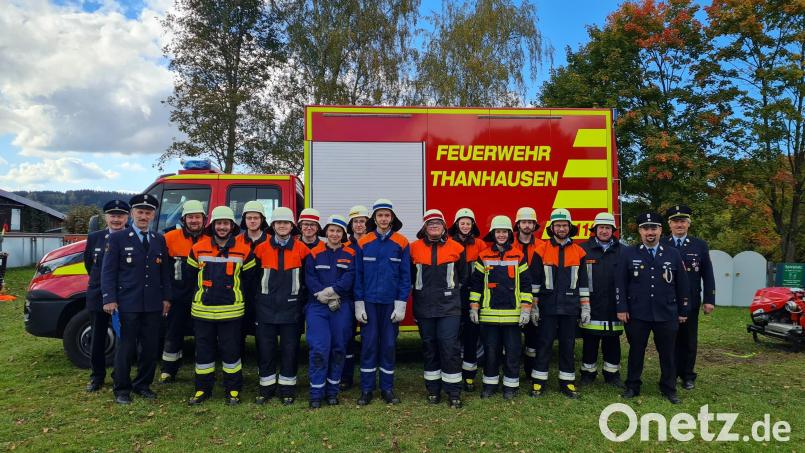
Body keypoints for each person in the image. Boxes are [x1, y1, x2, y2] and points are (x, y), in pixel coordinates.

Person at [101, 194, 171, 405]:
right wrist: (109, 298)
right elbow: (108, 271)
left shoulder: (158, 239)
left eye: (148, 213)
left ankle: (143, 385)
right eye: (140, 212)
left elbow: (164, 273)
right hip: (127, 303)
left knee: (150, 347)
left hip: (152, 304)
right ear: (132, 213)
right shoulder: (117, 238)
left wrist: (166, 298)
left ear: (153, 215)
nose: (143, 216)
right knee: (126, 347)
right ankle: (122, 389)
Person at [617, 211, 690, 404]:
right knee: (636, 351)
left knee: (668, 353)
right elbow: (620, 283)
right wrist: (622, 307)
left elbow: (683, 285)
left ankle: (669, 388)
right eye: (646, 228)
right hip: (637, 313)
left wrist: (683, 310)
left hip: (666, 312)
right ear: (640, 231)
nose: (650, 232)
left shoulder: (673, 254)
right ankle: (632, 386)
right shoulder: (629, 253)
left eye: (654, 228)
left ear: (660, 230)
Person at [186, 206, 256, 406]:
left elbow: (250, 282)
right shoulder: (198, 248)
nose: (222, 227)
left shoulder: (244, 250)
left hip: (231, 313)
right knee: (203, 354)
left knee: (231, 353)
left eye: (226, 223)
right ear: (212, 225)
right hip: (203, 312)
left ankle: (233, 390)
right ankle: (202, 389)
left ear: (232, 226)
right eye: (219, 223)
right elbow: (190, 279)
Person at [354, 199, 411, 405]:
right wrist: (359, 303)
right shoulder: (363, 242)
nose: (384, 219)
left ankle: (387, 389)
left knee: (388, 345)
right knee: (369, 345)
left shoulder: (402, 242)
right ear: (374, 218)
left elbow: (405, 276)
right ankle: (366, 390)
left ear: (392, 218)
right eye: (380, 215)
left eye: (387, 215)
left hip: (390, 304)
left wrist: (401, 303)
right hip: (369, 303)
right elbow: (358, 276)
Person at [468, 215, 533, 399]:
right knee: (491, 352)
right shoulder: (483, 256)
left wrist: (526, 309)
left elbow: (526, 285)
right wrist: (474, 307)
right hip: (489, 316)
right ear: (493, 234)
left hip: (513, 316)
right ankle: (490, 385)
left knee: (513, 352)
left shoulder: (519, 256)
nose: (501, 235)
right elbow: (476, 285)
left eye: (504, 232)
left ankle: (510, 387)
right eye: (498, 232)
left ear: (509, 234)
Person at [252, 207, 311, 405]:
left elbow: (307, 282)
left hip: (292, 310)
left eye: (286, 223)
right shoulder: (260, 249)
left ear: (292, 226)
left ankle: (287, 389)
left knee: (290, 350)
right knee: (265, 350)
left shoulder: (302, 249)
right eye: (279, 223)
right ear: (273, 225)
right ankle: (266, 389)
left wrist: (301, 305)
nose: (282, 226)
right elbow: (252, 280)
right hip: (265, 309)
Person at [530, 208, 589, 399]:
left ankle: (567, 382)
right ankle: (539, 381)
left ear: (570, 227)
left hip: (570, 307)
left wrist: (585, 306)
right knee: (544, 343)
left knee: (567, 345)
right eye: (558, 225)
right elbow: (535, 281)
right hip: (547, 306)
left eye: (564, 225)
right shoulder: (541, 250)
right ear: (552, 228)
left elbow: (583, 283)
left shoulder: (579, 252)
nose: (561, 229)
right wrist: (533, 306)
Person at [411, 209, 467, 408]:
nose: (434, 226)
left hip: (449, 308)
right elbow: (410, 277)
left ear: (444, 226)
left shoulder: (457, 248)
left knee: (449, 348)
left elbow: (463, 277)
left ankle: (453, 392)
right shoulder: (413, 248)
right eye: (430, 223)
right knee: (430, 348)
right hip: (424, 307)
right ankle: (433, 390)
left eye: (438, 223)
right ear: (424, 227)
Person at [304, 215, 356, 408]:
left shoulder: (351, 254)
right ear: (326, 232)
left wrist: (333, 292)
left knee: (338, 348)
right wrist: (322, 294)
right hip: (317, 306)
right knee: (319, 348)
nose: (334, 234)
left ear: (343, 234)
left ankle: (332, 392)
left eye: (338, 231)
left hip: (341, 306)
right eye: (332, 230)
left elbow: (350, 277)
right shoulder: (314, 253)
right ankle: (316, 393)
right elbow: (310, 277)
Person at [665, 205, 715, 391]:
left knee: (688, 340)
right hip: (667, 301)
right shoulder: (662, 243)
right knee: (669, 339)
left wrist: (709, 299)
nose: (679, 225)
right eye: (675, 221)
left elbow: (707, 274)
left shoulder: (699, 245)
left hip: (691, 300)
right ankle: (670, 373)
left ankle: (687, 375)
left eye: (683, 221)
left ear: (689, 224)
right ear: (669, 224)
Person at [83, 199, 129, 392]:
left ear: (127, 217)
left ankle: (119, 374)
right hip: (98, 294)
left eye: (120, 216)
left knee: (122, 338)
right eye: (113, 215)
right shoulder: (95, 238)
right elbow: (89, 264)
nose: (116, 219)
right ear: (105, 217)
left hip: (124, 295)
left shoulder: (131, 237)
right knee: (98, 337)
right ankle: (97, 376)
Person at [159, 200, 207, 384]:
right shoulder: (169, 238)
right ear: (184, 219)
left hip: (202, 296)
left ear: (204, 219)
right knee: (173, 333)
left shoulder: (209, 240)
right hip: (177, 296)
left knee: (202, 335)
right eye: (190, 217)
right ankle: (168, 370)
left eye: (197, 217)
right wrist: (166, 295)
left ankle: (202, 370)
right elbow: (162, 270)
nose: (194, 221)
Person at [578, 212, 624, 388]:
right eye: (601, 228)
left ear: (613, 230)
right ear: (595, 229)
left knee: (612, 342)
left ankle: (612, 375)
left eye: (607, 228)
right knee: (590, 341)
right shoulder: (583, 250)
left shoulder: (623, 251)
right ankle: (587, 374)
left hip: (614, 305)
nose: (604, 231)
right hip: (591, 304)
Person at [447, 208, 486, 392]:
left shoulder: (480, 245)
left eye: (468, 223)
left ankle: (469, 377)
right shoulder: (448, 243)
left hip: (473, 296)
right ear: (456, 225)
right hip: (453, 297)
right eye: (462, 223)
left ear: (473, 225)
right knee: (452, 337)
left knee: (471, 336)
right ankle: (453, 373)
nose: (465, 226)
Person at [512, 207, 545, 378]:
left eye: (530, 222)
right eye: (523, 222)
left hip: (535, 300)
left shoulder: (542, 246)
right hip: (512, 299)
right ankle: (512, 371)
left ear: (534, 225)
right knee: (512, 338)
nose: (526, 225)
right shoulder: (510, 245)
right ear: (518, 224)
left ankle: (530, 371)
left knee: (533, 338)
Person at [340, 204, 370, 390]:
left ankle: (368, 380)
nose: (359, 225)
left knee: (369, 339)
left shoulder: (373, 243)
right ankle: (346, 377)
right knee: (346, 338)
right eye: (355, 221)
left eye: (362, 221)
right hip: (348, 299)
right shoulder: (344, 247)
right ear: (350, 225)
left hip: (369, 298)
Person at [239, 201, 270, 349]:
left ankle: (262, 358)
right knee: (239, 329)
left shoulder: (271, 241)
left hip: (263, 293)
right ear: (244, 220)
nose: (252, 221)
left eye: (256, 218)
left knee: (262, 331)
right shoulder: (236, 241)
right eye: (249, 218)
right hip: (241, 291)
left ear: (262, 220)